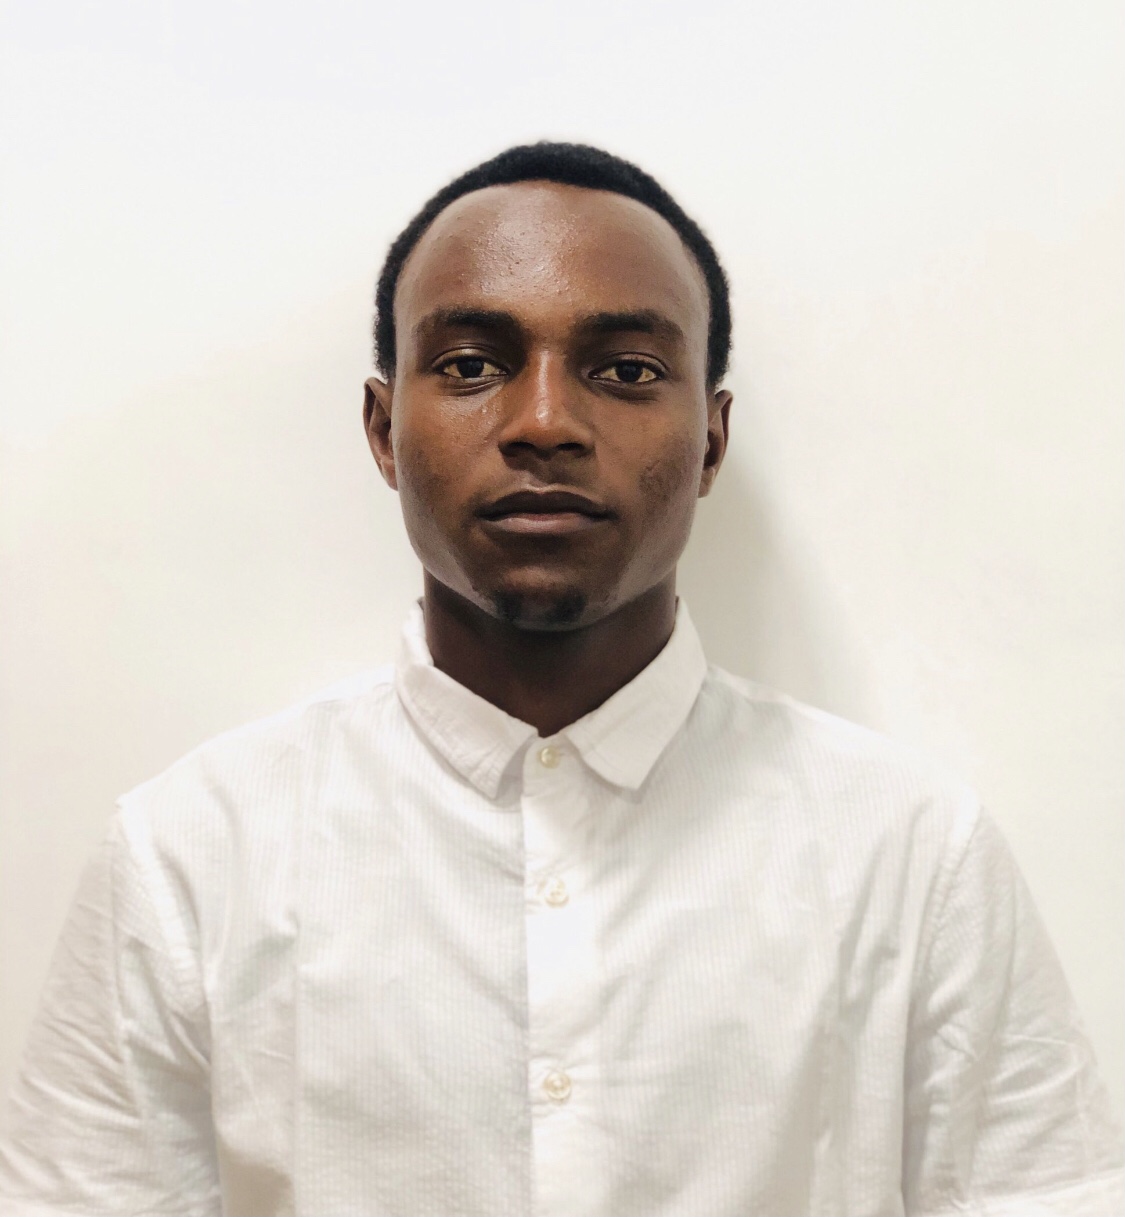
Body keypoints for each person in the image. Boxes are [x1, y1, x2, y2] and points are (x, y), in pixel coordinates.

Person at [0, 142, 1120, 1217]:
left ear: (711, 439)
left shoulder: (911, 854)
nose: (543, 423)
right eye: (471, 365)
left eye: (626, 370)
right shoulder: (190, 858)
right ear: (384, 430)